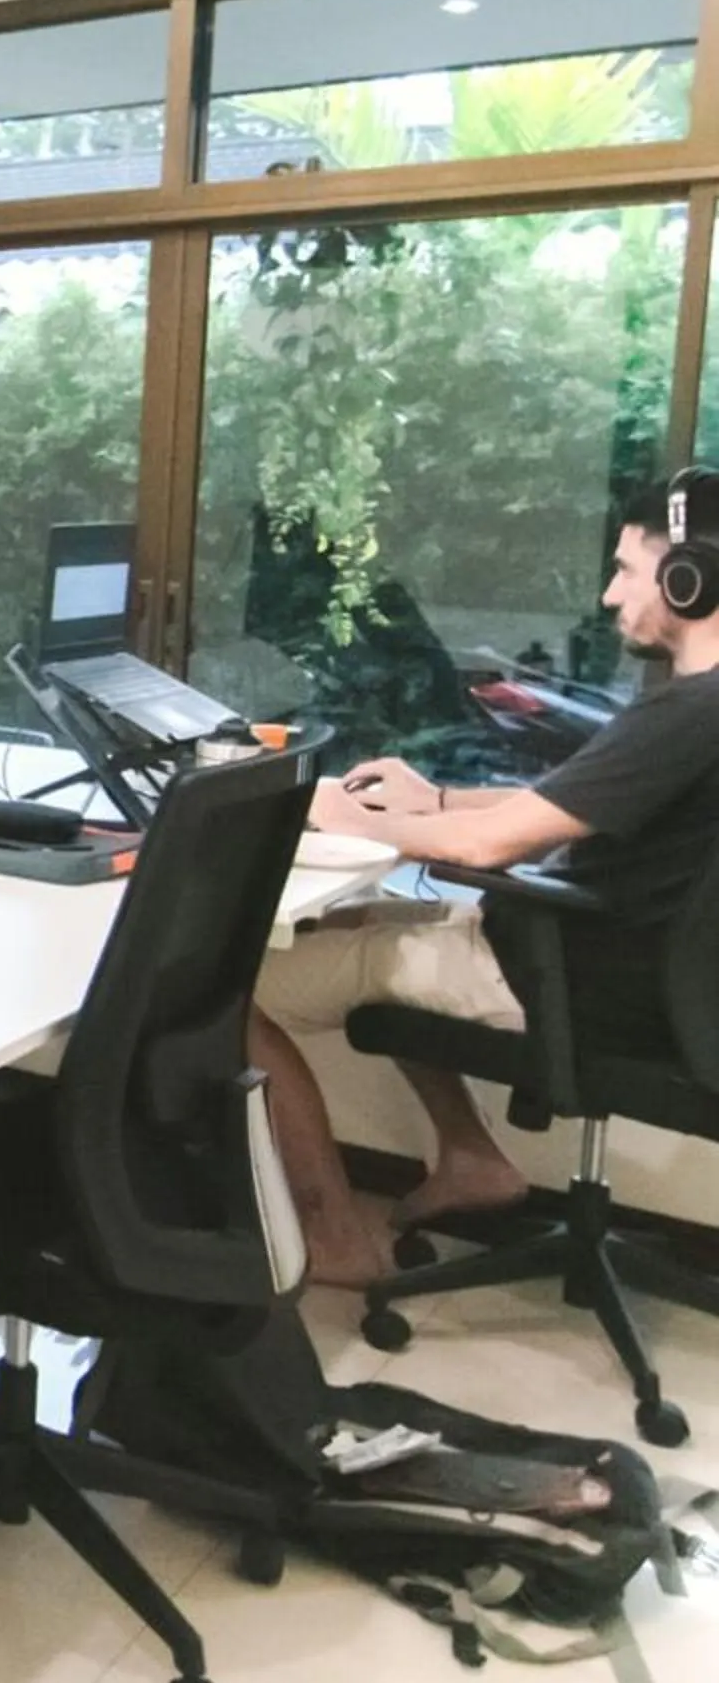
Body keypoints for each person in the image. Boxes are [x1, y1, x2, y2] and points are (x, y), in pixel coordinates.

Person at [252, 474, 719, 1285]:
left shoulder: (688, 713)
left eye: (626, 570)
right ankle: (471, 1159)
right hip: (629, 970)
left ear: (690, 578)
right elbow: (561, 807)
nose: (611, 596)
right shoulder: (698, 710)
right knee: (363, 923)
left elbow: (487, 849)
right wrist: (433, 799)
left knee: (225, 990)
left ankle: (333, 1239)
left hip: (572, 975)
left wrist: (330, 811)